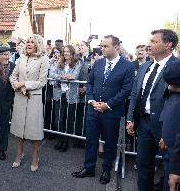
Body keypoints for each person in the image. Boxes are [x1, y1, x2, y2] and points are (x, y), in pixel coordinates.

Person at [72, 35, 135, 185]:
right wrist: (92, 101)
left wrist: (107, 105)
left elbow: (126, 90)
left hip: (112, 112)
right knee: (91, 140)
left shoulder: (127, 66)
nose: (102, 48)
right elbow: (90, 83)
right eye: (102, 46)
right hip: (93, 110)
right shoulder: (98, 63)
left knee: (110, 142)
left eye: (105, 46)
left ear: (116, 47)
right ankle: (89, 168)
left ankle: (107, 169)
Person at [126, 29, 178, 191]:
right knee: (143, 166)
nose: (149, 45)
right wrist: (131, 118)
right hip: (143, 123)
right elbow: (135, 93)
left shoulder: (176, 67)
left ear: (168, 44)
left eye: (154, 42)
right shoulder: (145, 66)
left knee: (170, 170)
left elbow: (175, 101)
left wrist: (169, 131)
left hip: (166, 127)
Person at [10, 34, 49, 172]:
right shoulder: (21, 57)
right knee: (19, 127)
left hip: (34, 97)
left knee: (35, 129)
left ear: (38, 44)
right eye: (28, 41)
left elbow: (42, 81)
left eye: (32, 42)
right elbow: (13, 76)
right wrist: (17, 86)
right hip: (20, 96)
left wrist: (24, 84)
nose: (29, 44)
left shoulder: (43, 59)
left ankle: (35, 155)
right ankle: (19, 153)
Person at [49, 45, 82, 152]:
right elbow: (52, 74)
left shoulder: (78, 63)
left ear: (72, 53)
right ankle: (60, 140)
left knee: (69, 119)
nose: (66, 53)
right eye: (64, 51)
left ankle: (66, 142)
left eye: (68, 51)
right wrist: (62, 77)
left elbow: (74, 76)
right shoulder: (60, 62)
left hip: (70, 95)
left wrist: (63, 76)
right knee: (59, 119)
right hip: (59, 93)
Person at [159, 58, 180, 191]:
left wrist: (176, 170)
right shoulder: (173, 90)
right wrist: (164, 135)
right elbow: (168, 110)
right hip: (169, 147)